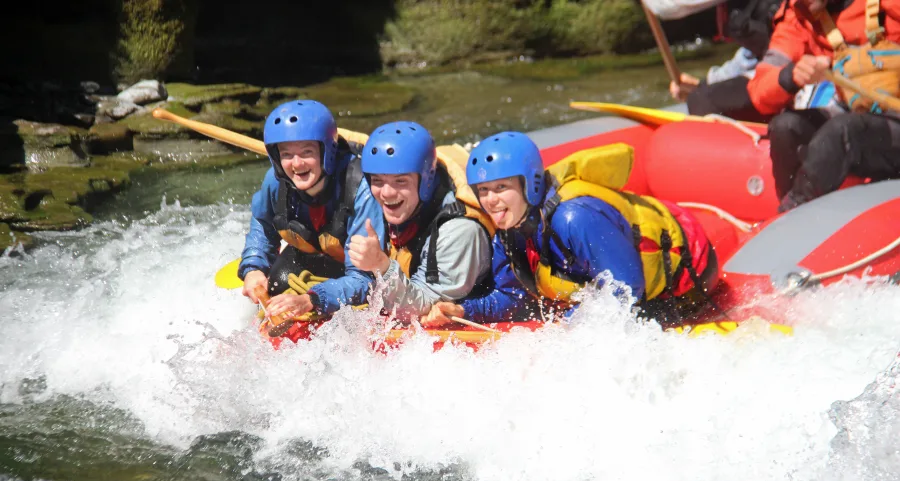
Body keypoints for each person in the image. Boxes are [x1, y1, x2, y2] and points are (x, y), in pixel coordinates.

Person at [421, 132, 719, 327]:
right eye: (483, 190)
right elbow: (514, 298)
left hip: (688, 279)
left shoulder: (574, 218)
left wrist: (569, 326)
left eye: (501, 187)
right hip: (624, 292)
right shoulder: (509, 230)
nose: (490, 200)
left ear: (530, 184)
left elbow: (628, 292)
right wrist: (462, 311)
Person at [238, 100, 386, 321]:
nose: (296, 164)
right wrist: (253, 268)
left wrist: (312, 299)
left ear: (327, 150)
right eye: (286, 154)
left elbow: (365, 278)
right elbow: (263, 226)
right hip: (313, 258)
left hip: (357, 274)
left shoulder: (360, 187)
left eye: (306, 152)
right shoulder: (276, 182)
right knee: (278, 280)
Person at [748, 0, 900, 211]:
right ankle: (793, 210)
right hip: (861, 122)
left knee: (842, 131)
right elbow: (759, 90)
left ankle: (791, 218)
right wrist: (789, 76)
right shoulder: (800, 15)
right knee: (785, 127)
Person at [347, 121, 496, 322]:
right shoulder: (375, 201)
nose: (387, 193)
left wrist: (381, 266)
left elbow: (416, 311)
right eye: (378, 181)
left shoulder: (460, 229)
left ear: (426, 180)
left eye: (400, 181)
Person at [668, 0, 786, 122]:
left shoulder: (789, 11)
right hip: (773, 74)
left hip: (791, 82)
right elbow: (749, 56)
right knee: (699, 97)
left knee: (702, 101)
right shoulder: (753, 14)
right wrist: (702, 84)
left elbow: (781, 59)